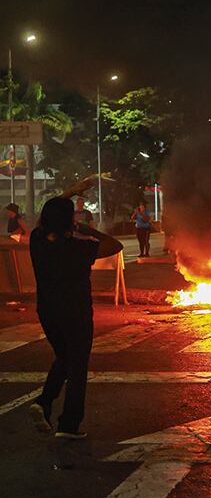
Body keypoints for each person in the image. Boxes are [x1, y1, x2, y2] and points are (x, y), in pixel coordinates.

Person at [28, 178, 123, 438]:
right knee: (78, 366)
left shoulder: (37, 241)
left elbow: (43, 219)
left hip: (47, 311)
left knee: (65, 358)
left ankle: (44, 402)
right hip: (76, 313)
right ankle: (69, 425)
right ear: (70, 221)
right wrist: (84, 228)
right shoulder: (79, 247)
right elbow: (116, 245)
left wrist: (68, 192)